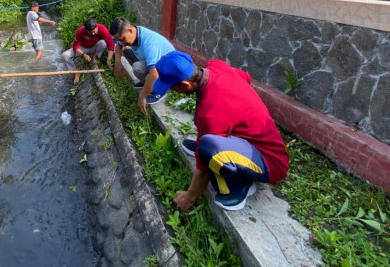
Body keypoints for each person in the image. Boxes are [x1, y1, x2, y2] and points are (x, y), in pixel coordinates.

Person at [153, 51, 289, 212]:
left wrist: (190, 196)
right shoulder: (216, 66)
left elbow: (203, 170)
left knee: (208, 147)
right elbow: (246, 77)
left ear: (185, 85)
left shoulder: (211, 111)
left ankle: (238, 187)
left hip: (270, 163)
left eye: (172, 88)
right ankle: (227, 149)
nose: (171, 91)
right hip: (248, 142)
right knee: (204, 137)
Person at [109, 17, 175, 116]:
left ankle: (160, 89)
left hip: (169, 69)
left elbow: (154, 74)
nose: (122, 42)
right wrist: (118, 62)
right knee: (127, 51)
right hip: (154, 63)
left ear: (130, 31)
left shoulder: (149, 43)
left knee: (137, 68)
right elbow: (118, 46)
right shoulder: (133, 33)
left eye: (123, 39)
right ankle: (146, 81)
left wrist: (142, 96)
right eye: (119, 39)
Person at [61, 17, 115, 83]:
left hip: (95, 47)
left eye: (94, 31)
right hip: (83, 48)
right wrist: (84, 55)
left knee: (103, 43)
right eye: (90, 32)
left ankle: (95, 57)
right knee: (65, 55)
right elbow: (75, 47)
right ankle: (76, 72)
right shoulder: (80, 31)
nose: (92, 34)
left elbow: (111, 44)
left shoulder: (102, 28)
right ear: (85, 29)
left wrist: (109, 60)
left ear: (97, 27)